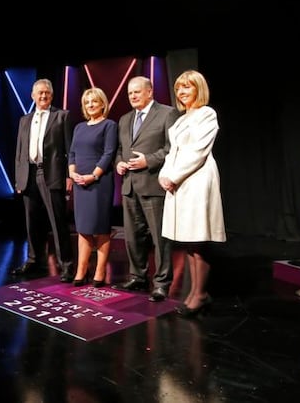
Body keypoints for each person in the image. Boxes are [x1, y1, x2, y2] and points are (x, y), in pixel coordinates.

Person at [158, 70, 225, 317]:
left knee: (198, 239)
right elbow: (172, 152)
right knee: (187, 240)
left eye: (187, 87)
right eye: (178, 88)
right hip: (179, 182)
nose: (182, 92)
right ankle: (196, 292)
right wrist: (164, 175)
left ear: (198, 89)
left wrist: (174, 176)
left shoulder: (207, 114)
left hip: (196, 178)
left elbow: (198, 151)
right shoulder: (179, 120)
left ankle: (200, 293)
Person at [112, 76, 180, 302]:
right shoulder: (124, 119)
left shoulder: (167, 113)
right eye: (130, 93)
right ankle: (138, 276)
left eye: (137, 92)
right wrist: (119, 162)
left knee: (160, 239)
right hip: (129, 185)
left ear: (149, 92)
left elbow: (172, 149)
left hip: (153, 184)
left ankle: (161, 283)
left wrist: (148, 161)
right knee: (133, 237)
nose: (132, 96)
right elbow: (121, 149)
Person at [12, 78, 74, 282]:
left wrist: (68, 175)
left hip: (52, 173)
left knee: (57, 221)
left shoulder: (62, 116)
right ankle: (33, 260)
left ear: (52, 95)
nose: (43, 96)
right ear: (33, 96)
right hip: (28, 174)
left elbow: (69, 149)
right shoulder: (24, 119)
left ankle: (66, 264)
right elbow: (20, 151)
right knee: (31, 222)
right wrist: (18, 179)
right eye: (40, 93)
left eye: (47, 92)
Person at [68, 88, 118, 287]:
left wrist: (93, 176)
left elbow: (108, 153)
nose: (90, 105)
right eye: (87, 102)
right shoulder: (79, 127)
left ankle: (100, 271)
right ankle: (81, 270)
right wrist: (72, 173)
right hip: (80, 182)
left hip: (99, 183)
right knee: (83, 228)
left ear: (102, 104)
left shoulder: (109, 125)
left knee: (101, 228)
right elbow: (72, 153)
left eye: (94, 102)